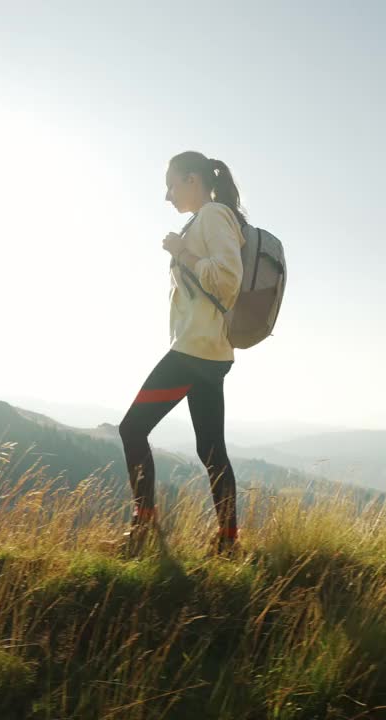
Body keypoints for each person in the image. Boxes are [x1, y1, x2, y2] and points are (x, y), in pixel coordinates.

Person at [112, 151, 247, 558]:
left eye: (172, 184)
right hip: (207, 351)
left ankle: (145, 526)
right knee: (211, 449)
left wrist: (181, 252)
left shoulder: (213, 216)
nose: (168, 195)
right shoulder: (207, 220)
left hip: (194, 352)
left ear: (193, 180)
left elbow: (227, 279)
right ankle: (227, 542)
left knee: (132, 429)